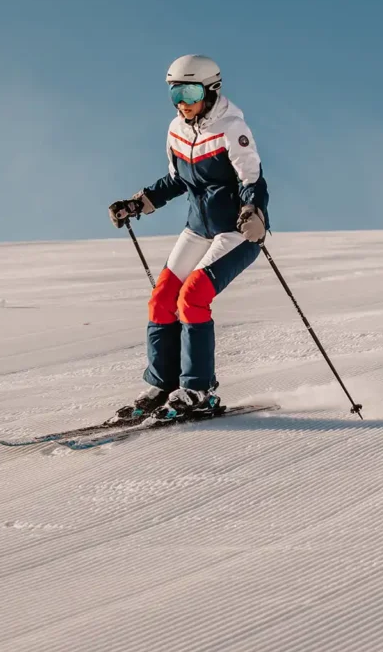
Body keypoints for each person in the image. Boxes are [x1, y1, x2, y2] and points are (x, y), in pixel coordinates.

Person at [107, 54, 269, 423]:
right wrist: (140, 202)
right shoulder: (177, 129)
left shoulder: (232, 127)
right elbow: (178, 179)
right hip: (198, 228)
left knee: (193, 296)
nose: (183, 100)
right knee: (162, 298)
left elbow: (252, 180)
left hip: (237, 232)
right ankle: (164, 384)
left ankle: (198, 389)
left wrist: (253, 213)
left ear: (211, 91)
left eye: (191, 90)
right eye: (175, 92)